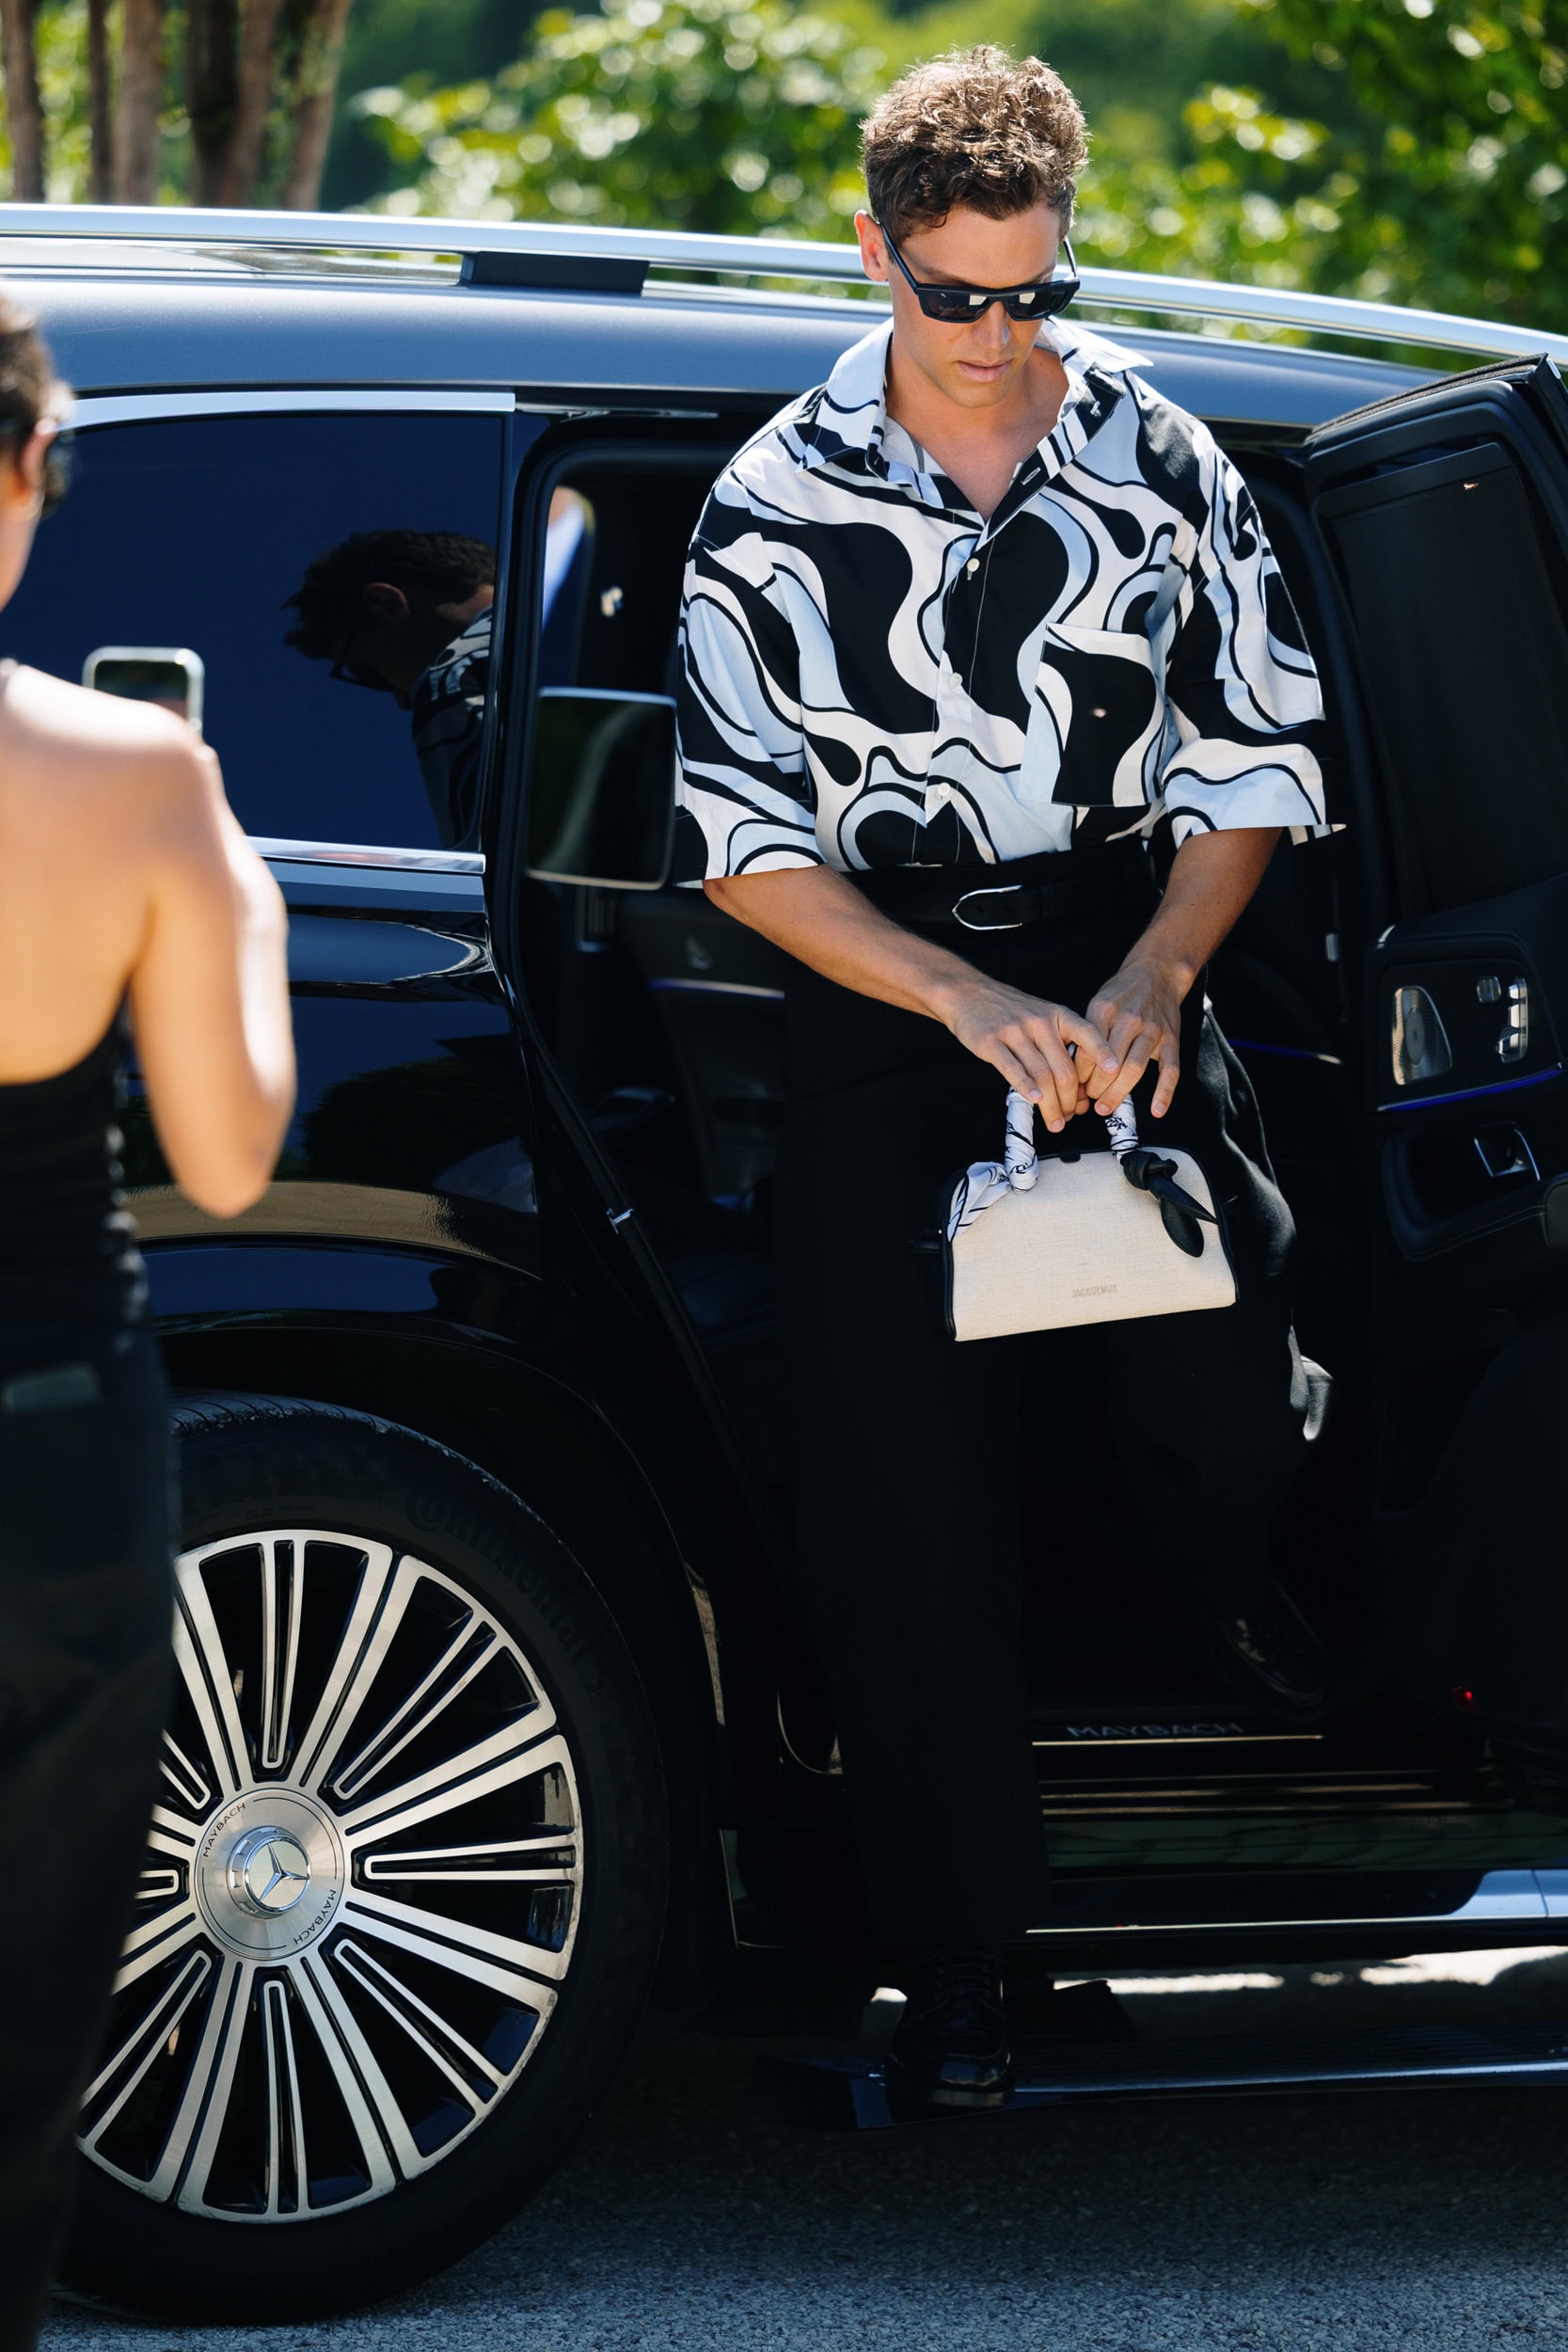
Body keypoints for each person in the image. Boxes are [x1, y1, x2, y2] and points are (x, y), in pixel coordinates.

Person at [674, 47, 1330, 2106]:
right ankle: (963, 1968)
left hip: (1130, 963)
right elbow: (740, 844)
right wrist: (954, 1005)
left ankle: (1229, 1623)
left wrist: (1153, 977)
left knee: (1225, 1398)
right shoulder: (770, 500)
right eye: (957, 294)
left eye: (1037, 290)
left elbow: (1258, 758)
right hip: (886, 998)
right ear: (875, 254)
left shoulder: (1162, 452)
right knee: (905, 1513)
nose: (998, 334)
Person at [0, 296, 294, 2349]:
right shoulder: (130, 775)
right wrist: (237, 898)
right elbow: (227, 1153)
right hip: (45, 1453)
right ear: (32, 465)